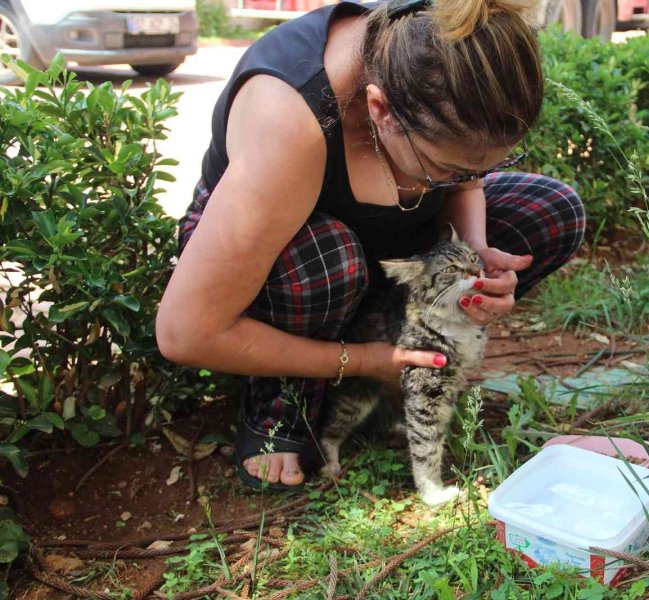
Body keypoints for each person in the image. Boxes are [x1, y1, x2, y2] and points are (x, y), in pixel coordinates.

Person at [156, 0, 585, 490]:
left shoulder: (442, 57)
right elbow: (185, 333)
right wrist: (364, 359)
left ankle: (402, 357)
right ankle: (285, 399)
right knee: (327, 257)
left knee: (552, 209)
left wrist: (473, 251)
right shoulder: (291, 117)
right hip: (291, 261)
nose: (464, 180)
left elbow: (465, 183)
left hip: (378, 258)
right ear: (380, 109)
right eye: (443, 168)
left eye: (479, 168)